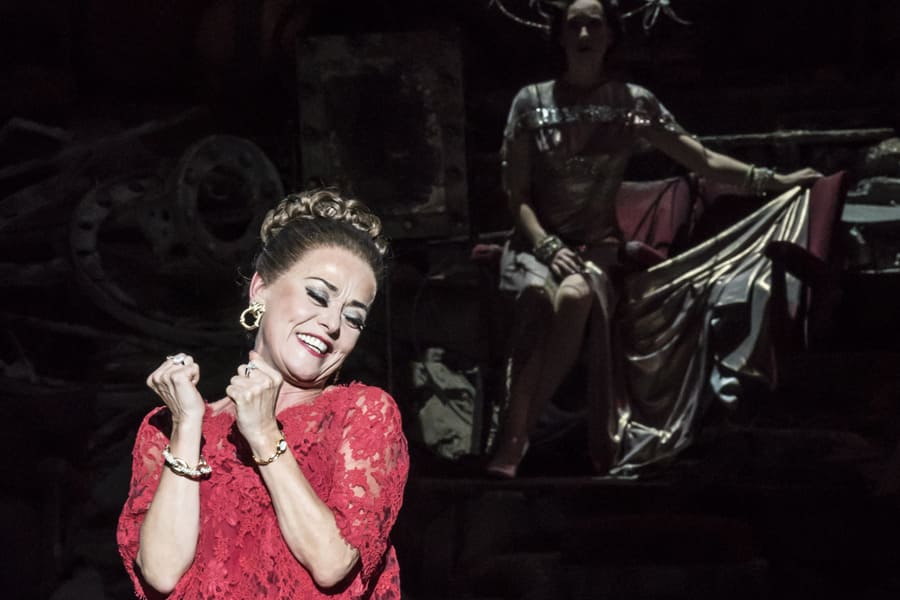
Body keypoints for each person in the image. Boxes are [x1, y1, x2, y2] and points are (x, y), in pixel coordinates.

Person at [486, 0, 823, 478]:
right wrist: (545, 245)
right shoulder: (530, 101)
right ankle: (515, 436)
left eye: (594, 23)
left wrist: (775, 179)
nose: (584, 33)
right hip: (534, 243)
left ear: (609, 36)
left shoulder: (633, 102)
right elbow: (515, 195)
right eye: (574, 24)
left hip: (597, 247)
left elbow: (701, 160)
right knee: (539, 295)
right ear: (560, 36)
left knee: (576, 295)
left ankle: (514, 432)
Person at [117, 190, 409, 598]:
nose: (331, 323)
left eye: (353, 317)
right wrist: (187, 424)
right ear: (260, 290)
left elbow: (332, 564)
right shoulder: (172, 427)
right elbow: (161, 573)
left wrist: (265, 433)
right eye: (318, 295)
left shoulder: (362, 414)